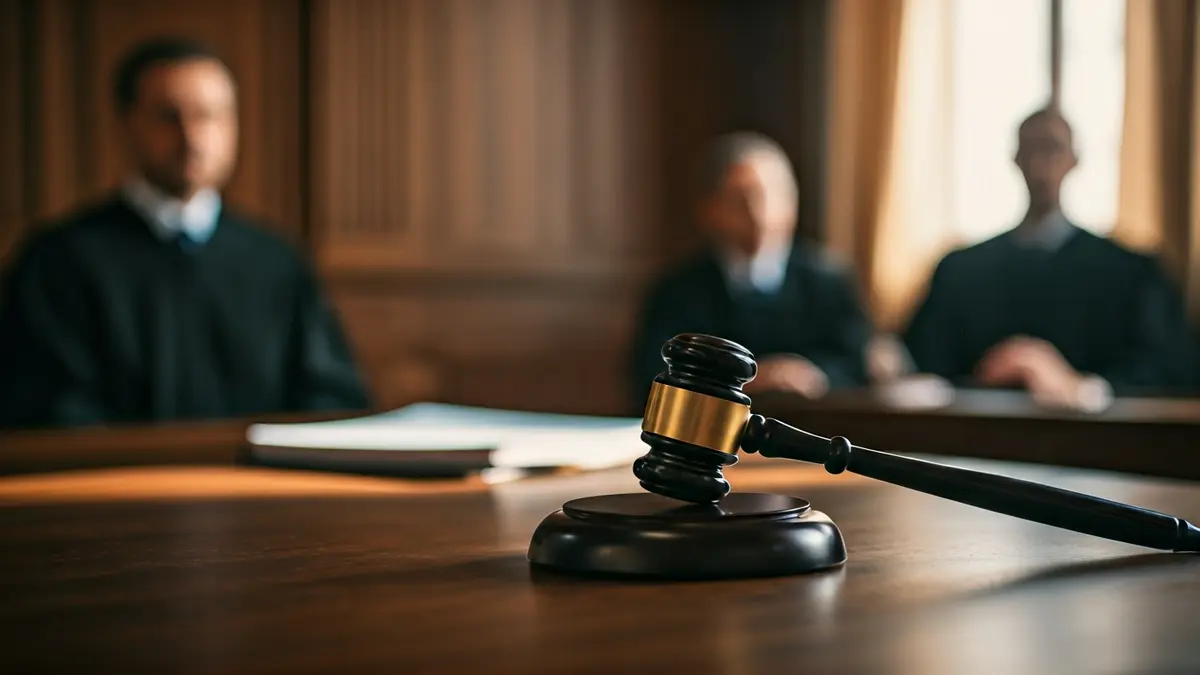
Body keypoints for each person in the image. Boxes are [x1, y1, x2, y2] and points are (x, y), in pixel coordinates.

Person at [0, 37, 370, 428]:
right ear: (126, 124)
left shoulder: (277, 263)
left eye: (209, 116)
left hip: (257, 485)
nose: (192, 137)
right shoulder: (58, 262)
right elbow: (44, 406)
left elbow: (331, 399)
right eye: (169, 116)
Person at [902, 107, 1193, 409]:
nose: (1041, 165)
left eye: (1052, 148)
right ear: (1015, 159)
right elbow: (921, 364)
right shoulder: (960, 270)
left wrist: (1082, 387)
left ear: (1074, 159)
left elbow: (1169, 368)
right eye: (1031, 149)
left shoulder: (1131, 272)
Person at [629, 132, 871, 408]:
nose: (760, 213)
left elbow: (858, 367)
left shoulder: (828, 282)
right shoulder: (677, 291)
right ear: (711, 209)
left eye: (773, 195)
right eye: (742, 199)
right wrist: (746, 380)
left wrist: (813, 376)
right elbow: (650, 380)